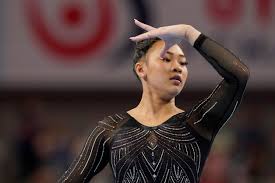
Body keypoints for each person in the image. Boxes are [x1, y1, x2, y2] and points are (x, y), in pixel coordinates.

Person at [58, 19, 250, 183]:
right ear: (141, 69)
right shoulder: (110, 130)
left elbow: (238, 75)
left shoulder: (197, 123)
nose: (177, 67)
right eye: (166, 59)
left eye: (183, 63)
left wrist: (188, 32)